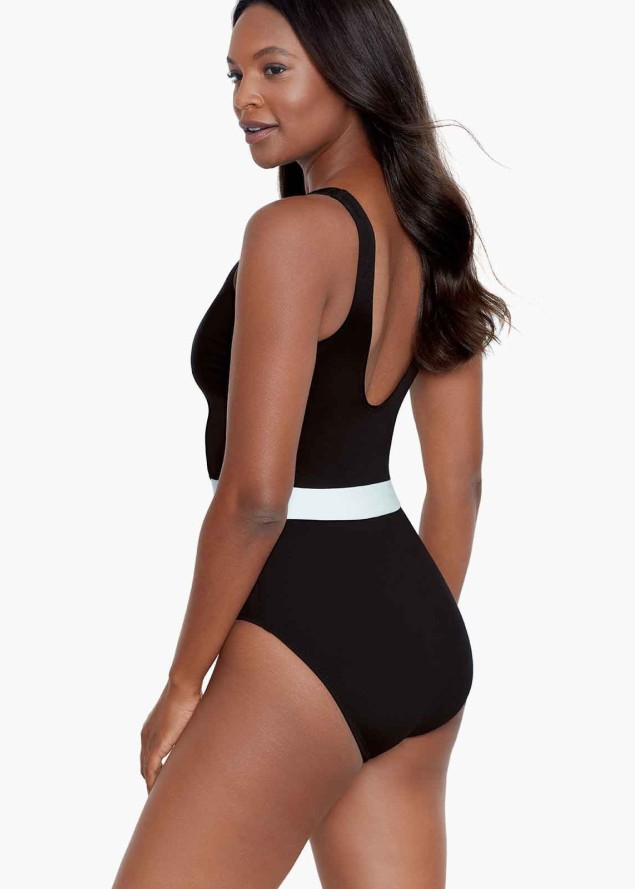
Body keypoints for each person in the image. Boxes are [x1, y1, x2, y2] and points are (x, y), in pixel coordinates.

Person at [112, 1, 510, 887]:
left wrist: (182, 683)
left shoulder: (291, 235)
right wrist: (395, 643)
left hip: (303, 624)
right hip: (417, 625)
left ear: (351, 70)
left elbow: (257, 497)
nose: (243, 97)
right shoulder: (433, 228)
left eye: (272, 68)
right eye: (234, 75)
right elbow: (461, 485)